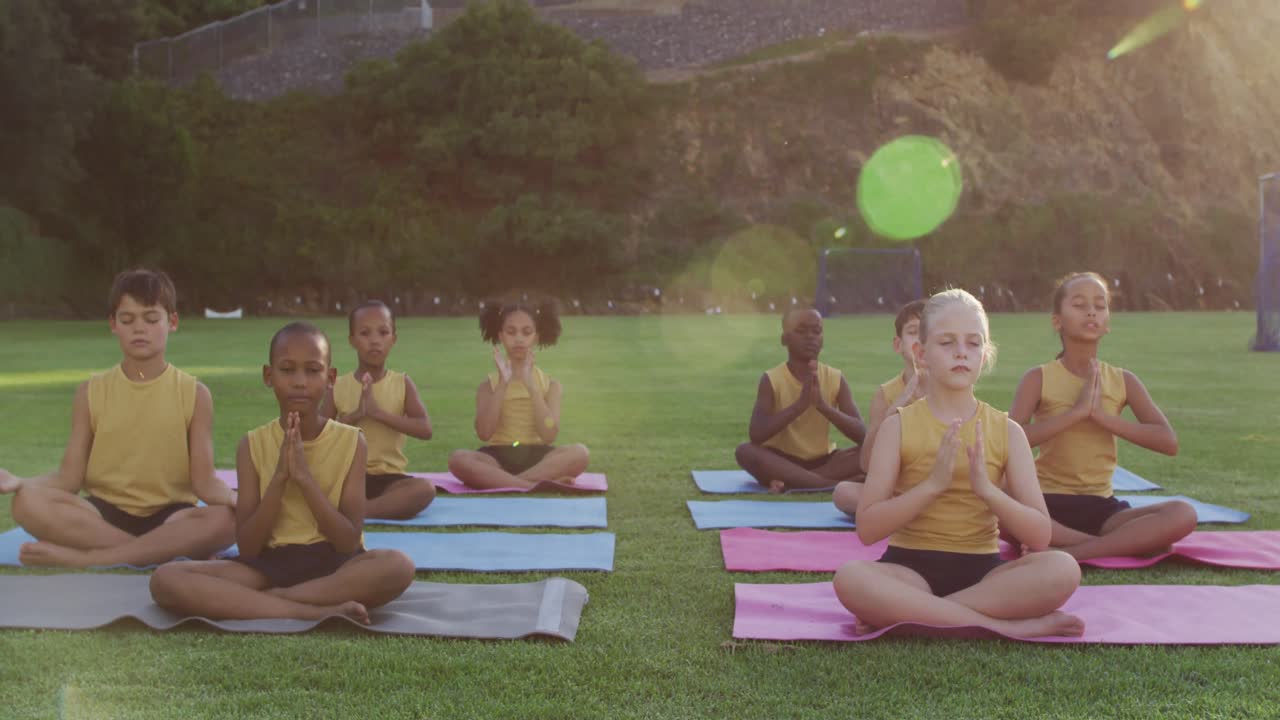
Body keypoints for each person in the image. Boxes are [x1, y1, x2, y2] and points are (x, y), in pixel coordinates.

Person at [833, 289, 1083, 639]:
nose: (961, 352)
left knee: (1063, 568)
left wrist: (988, 491)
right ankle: (1005, 627)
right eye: (947, 342)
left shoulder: (1007, 431)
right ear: (921, 354)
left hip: (983, 574)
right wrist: (932, 485)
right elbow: (868, 528)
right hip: (908, 570)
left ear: (985, 354)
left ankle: (917, 615)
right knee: (850, 578)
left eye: (973, 343)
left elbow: (1040, 535)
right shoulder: (898, 427)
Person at [149, 322, 414, 623]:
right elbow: (248, 546)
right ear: (268, 376)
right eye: (287, 370)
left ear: (330, 378)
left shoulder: (352, 441)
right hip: (269, 565)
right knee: (166, 579)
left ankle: (269, 602)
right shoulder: (251, 445)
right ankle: (309, 610)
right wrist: (279, 479)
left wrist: (303, 478)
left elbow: (348, 541)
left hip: (335, 565)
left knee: (397, 565)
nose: (300, 382)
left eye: (313, 370)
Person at [0, 268, 235, 568]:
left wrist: (236, 499)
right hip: (101, 516)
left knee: (228, 520)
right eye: (128, 320)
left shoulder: (195, 393)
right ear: (113, 324)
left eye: (151, 319)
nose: (140, 328)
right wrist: (20, 481)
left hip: (171, 517)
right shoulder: (90, 391)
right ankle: (160, 553)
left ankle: (91, 558)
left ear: (172, 322)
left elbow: (205, 483)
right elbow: (68, 480)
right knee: (26, 502)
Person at [1009, 272, 1194, 560]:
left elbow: (1167, 441)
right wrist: (1076, 414)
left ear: (1107, 323)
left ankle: (1074, 551)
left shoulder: (1123, 380)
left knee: (1182, 513)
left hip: (1103, 510)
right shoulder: (1038, 378)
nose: (1092, 311)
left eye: (1100, 305)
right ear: (1057, 321)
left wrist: (1103, 418)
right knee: (992, 498)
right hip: (1045, 503)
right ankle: (1121, 544)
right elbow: (1009, 441)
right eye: (1080, 304)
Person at [447, 300, 589, 490]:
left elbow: (549, 435)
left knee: (580, 453)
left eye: (526, 332)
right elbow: (484, 433)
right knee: (458, 459)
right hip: (497, 457)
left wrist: (531, 386)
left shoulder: (551, 386)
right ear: (501, 336)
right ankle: (533, 485)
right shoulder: (487, 386)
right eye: (511, 332)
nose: (519, 339)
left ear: (536, 337)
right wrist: (503, 385)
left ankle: (508, 482)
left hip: (539, 457)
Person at [324, 300, 435, 519]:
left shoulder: (402, 383)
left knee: (424, 490)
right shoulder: (337, 386)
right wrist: (353, 417)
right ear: (352, 340)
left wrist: (378, 414)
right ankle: (371, 507)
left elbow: (425, 429)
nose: (374, 341)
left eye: (383, 332)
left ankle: (361, 510)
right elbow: (315, 434)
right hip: (347, 475)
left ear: (393, 339)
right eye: (365, 333)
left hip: (389, 479)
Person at [735, 307, 866, 494]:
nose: (810, 337)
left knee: (873, 450)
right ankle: (826, 485)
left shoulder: (835, 377)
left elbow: (862, 435)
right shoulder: (771, 379)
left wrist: (823, 407)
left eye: (817, 331)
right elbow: (756, 434)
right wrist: (799, 406)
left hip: (825, 461)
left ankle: (794, 482)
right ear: (784, 339)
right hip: (781, 461)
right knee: (745, 452)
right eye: (801, 331)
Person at [834, 299, 926, 514]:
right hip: (899, 492)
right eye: (913, 331)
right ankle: (914, 514)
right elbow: (866, 464)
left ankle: (914, 515)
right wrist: (896, 406)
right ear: (898, 344)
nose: (921, 340)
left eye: (928, 332)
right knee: (843, 492)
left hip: (943, 488)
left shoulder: (951, 386)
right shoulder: (886, 394)